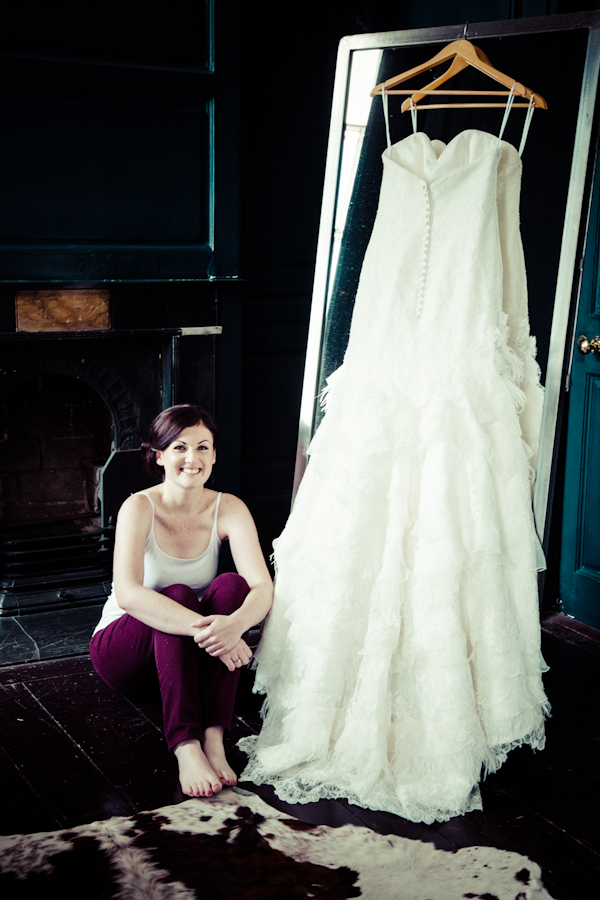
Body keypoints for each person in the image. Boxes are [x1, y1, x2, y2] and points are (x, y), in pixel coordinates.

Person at [90, 404, 273, 799]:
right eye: (179, 448)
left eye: (203, 447)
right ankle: (185, 746)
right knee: (176, 594)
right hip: (125, 651)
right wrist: (219, 633)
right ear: (159, 456)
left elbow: (262, 587)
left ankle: (212, 737)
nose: (193, 458)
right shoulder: (139, 507)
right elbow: (129, 594)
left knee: (231, 586)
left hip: (184, 657)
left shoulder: (230, 507)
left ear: (213, 454)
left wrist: (236, 624)